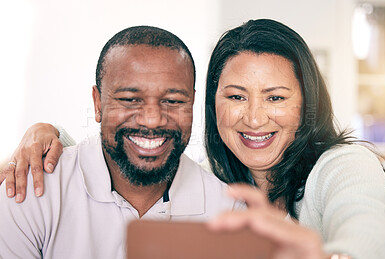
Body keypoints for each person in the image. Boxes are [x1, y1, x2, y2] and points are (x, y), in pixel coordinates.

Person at [2, 19, 385, 259]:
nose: (255, 117)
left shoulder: (342, 166)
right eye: (236, 96)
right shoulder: (215, 180)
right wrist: (47, 132)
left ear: (306, 104)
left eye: (276, 97)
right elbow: (126, 148)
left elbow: (373, 227)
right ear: (210, 104)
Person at [0, 25, 243, 259]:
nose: (152, 120)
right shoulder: (32, 192)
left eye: (173, 101)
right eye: (129, 99)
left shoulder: (230, 213)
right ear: (98, 104)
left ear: (192, 103)